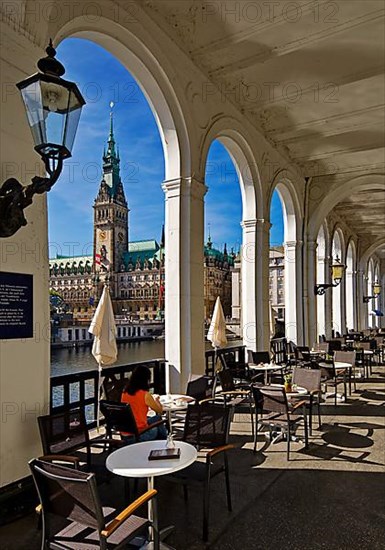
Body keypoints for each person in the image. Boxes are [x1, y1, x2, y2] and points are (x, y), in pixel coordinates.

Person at [121, 365, 167, 442]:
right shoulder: (145, 395)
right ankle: (163, 443)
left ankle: (163, 442)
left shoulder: (125, 392)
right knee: (159, 423)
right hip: (140, 433)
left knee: (157, 419)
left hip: (126, 432)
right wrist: (157, 400)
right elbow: (160, 411)